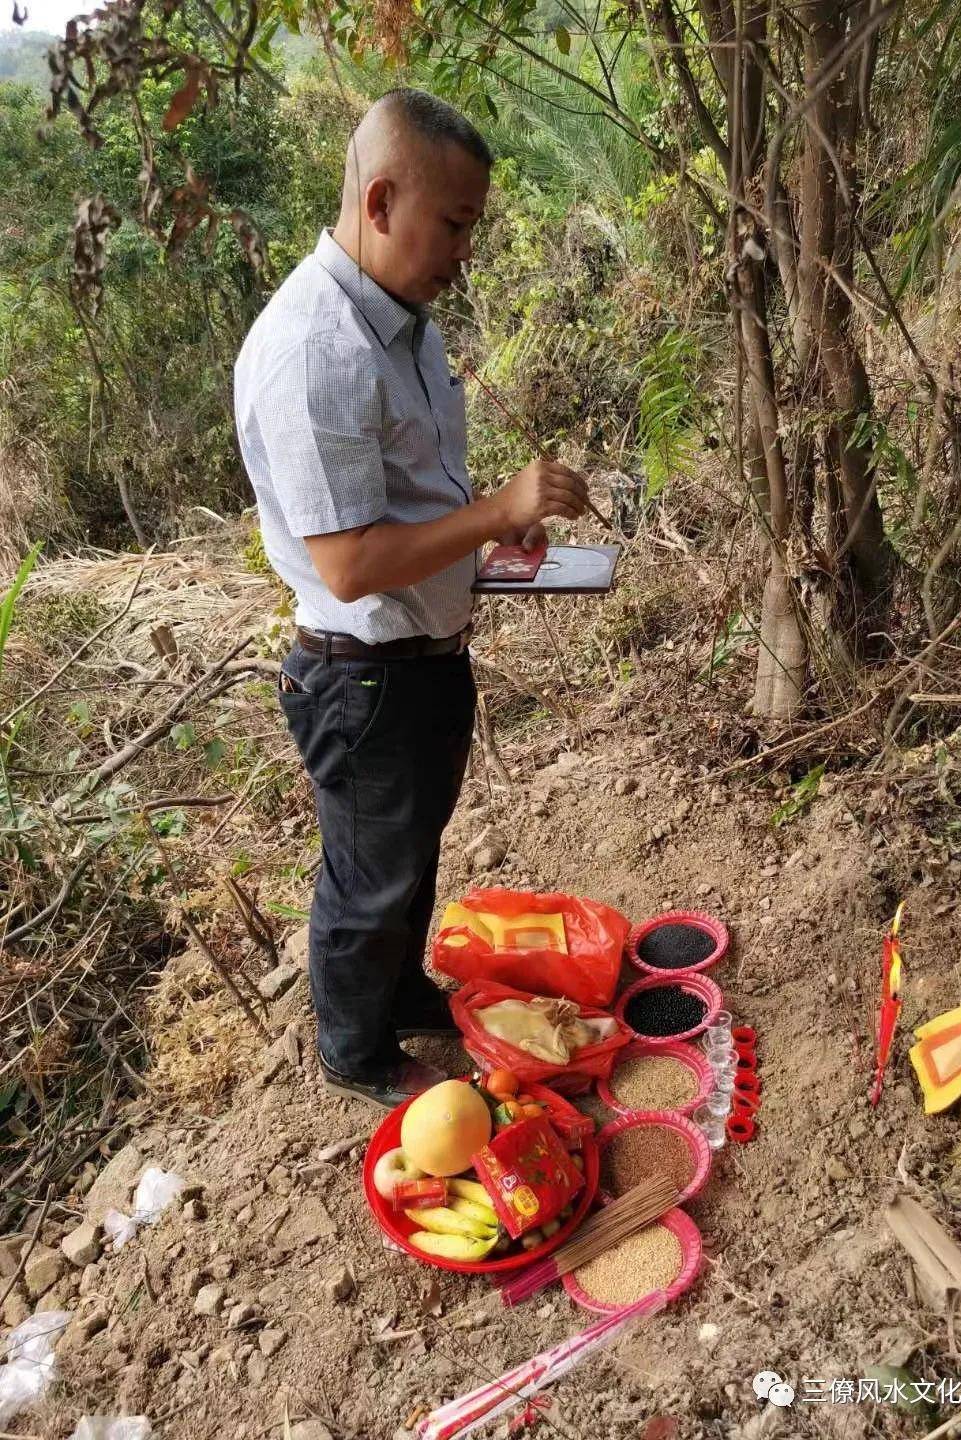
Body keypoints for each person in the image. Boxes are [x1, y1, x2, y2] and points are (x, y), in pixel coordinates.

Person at [234, 88, 588, 1107]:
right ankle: (352, 1046)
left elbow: (415, 497)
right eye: (457, 225)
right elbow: (345, 563)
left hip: (424, 657)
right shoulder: (317, 353)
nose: (464, 251)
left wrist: (493, 535)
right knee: (367, 875)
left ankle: (399, 991)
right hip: (362, 679)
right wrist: (489, 513)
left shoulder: (403, 321)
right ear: (382, 200)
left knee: (407, 854)